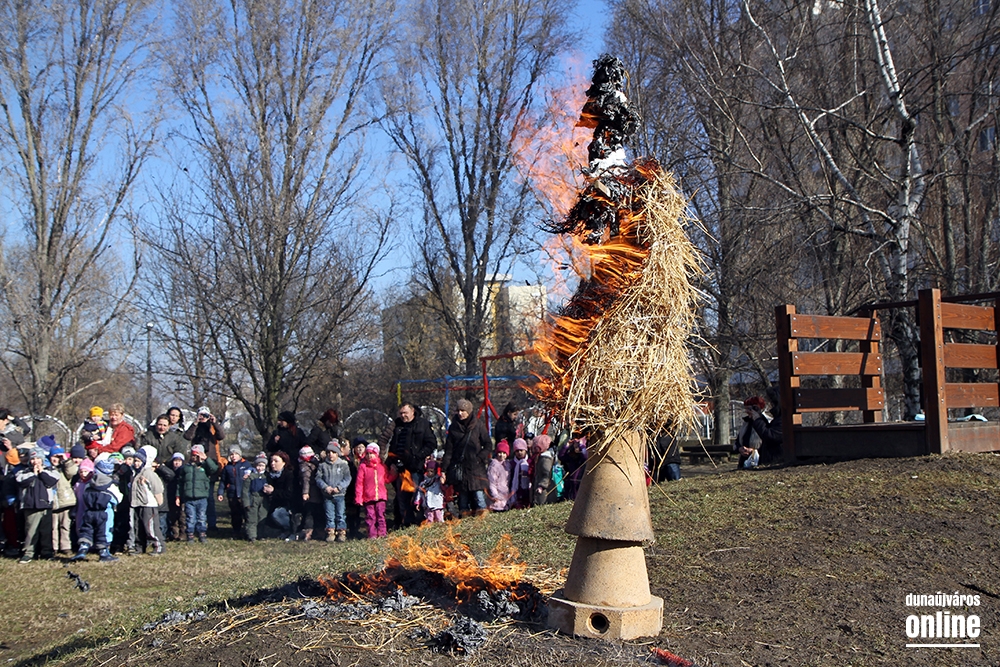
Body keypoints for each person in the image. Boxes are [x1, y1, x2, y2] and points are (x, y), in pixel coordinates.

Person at [383, 403, 437, 529]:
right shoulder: (397, 425)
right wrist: (392, 462)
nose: (403, 416)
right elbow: (392, 446)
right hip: (400, 468)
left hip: (416, 467)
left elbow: (431, 444)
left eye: (405, 413)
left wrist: (419, 456)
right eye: (401, 413)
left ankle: (420, 522)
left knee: (417, 496)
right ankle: (407, 524)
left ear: (412, 412)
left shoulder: (423, 424)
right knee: (402, 497)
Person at [440, 398, 493, 517]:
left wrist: (479, 458)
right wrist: (444, 469)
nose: (460, 413)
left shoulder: (478, 425)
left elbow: (488, 444)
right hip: (460, 469)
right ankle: (465, 520)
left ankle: (483, 521)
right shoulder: (453, 428)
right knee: (463, 500)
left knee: (479, 497)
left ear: (469, 411)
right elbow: (448, 451)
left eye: (463, 410)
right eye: (458, 410)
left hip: (476, 468)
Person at [184, 406, 225, 531]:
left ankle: (211, 524)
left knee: (209, 497)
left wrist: (214, 422)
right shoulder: (195, 428)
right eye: (201, 415)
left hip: (210, 463)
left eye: (205, 415)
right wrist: (195, 422)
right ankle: (196, 524)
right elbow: (187, 436)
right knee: (195, 496)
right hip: (196, 464)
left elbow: (221, 436)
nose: (203, 418)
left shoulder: (212, 428)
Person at [70, 459, 119, 562]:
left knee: (87, 530)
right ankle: (104, 553)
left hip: (89, 512)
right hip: (104, 513)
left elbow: (84, 496)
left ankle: (82, 549)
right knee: (103, 532)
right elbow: (117, 498)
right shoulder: (111, 486)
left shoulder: (90, 483)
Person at [16, 447, 59, 562]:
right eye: (33, 459)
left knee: (46, 531)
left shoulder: (50, 470)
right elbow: (21, 482)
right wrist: (34, 474)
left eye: (38, 458)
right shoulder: (24, 472)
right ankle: (28, 553)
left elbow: (51, 481)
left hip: (46, 505)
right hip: (30, 506)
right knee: (31, 531)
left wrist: (42, 472)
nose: (35, 461)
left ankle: (47, 552)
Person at [176, 444, 219, 542]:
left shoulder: (205, 466)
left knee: (202, 517)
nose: (195, 457)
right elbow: (180, 483)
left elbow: (214, 469)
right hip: (189, 498)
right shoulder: (186, 468)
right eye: (193, 455)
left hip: (202, 497)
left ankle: (202, 533)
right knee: (190, 517)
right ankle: (190, 534)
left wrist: (206, 459)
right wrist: (178, 496)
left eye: (197, 455)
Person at [129, 446, 165, 555]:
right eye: (135, 461)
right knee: (138, 528)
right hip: (137, 504)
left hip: (149, 505)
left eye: (139, 461)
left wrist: (159, 501)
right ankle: (139, 547)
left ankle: (159, 546)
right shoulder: (134, 473)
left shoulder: (148, 473)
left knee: (150, 527)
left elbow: (158, 488)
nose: (136, 463)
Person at [354, 443, 395, 539]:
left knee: (381, 515)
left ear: (376, 454)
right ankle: (372, 534)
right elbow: (359, 483)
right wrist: (359, 497)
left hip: (380, 496)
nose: (369, 456)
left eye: (371, 453)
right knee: (370, 516)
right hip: (368, 497)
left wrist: (393, 473)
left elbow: (386, 479)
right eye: (367, 453)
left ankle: (382, 533)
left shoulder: (381, 466)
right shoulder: (363, 467)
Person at [316, 442, 351, 542]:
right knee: (329, 515)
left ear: (337, 453)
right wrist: (325, 487)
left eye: (333, 452)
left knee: (340, 514)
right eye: (328, 452)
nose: (331, 454)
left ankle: (341, 532)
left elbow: (347, 478)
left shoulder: (343, 465)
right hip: (327, 495)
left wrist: (339, 487)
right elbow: (318, 478)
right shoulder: (323, 465)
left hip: (340, 494)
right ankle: (330, 532)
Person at [49, 446, 78, 556]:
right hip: (53, 502)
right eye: (54, 457)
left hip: (65, 501)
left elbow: (73, 471)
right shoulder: (47, 468)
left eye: (58, 457)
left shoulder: (64, 469)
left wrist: (66, 460)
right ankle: (54, 546)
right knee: (53, 526)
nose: (55, 459)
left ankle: (65, 546)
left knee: (65, 525)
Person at [219, 446, 253, 539]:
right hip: (232, 494)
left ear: (240, 455)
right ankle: (236, 532)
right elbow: (223, 481)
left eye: (236, 454)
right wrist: (220, 493)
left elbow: (253, 474)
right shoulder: (227, 467)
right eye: (231, 454)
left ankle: (248, 532)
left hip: (244, 494)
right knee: (235, 514)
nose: (234, 456)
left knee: (247, 513)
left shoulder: (246, 465)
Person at [262, 451, 295, 539]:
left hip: (287, 506)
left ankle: (290, 529)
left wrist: (273, 492)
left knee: (277, 514)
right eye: (271, 461)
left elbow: (289, 494)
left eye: (276, 461)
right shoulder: (268, 476)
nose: (273, 463)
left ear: (284, 462)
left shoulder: (289, 475)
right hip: (271, 505)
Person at [749, 386, 784, 464]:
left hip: (776, 459)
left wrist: (758, 420)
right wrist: (760, 417)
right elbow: (769, 429)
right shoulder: (779, 418)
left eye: (772, 402)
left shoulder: (784, 419)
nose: (770, 404)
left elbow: (770, 436)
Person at [294, 445, 323, 541]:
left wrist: (305, 492)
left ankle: (308, 532)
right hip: (317, 492)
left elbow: (305, 480)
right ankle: (317, 531)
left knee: (309, 513)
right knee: (317, 512)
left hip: (311, 493)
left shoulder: (304, 467)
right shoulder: (316, 463)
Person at [242, 454, 269, 542]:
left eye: (262, 466)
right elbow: (245, 491)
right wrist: (246, 503)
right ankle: (251, 535)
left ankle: (260, 535)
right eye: (258, 465)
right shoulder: (250, 476)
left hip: (264, 499)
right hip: (253, 499)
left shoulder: (267, 476)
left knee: (262, 517)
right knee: (252, 518)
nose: (260, 468)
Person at [345, 438, 367, 539]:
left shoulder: (366, 460)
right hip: (352, 488)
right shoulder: (350, 461)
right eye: (358, 447)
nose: (360, 449)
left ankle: (359, 529)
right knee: (352, 510)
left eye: (362, 447)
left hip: (364, 488)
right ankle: (352, 529)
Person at [736, 396, 766, 469]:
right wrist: (740, 448)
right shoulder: (746, 423)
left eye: (749, 409)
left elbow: (768, 440)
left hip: (759, 460)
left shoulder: (765, 423)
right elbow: (738, 441)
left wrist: (754, 450)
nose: (747, 411)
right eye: (746, 409)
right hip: (744, 461)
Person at [415, 459, 446, 523]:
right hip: (427, 505)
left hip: (437, 504)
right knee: (429, 519)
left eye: (432, 471)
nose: (429, 473)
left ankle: (440, 527)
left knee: (439, 518)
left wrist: (442, 481)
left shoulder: (438, 481)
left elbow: (444, 489)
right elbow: (419, 493)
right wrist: (417, 503)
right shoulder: (423, 483)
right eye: (428, 471)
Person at [487, 441, 512, 511]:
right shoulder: (494, 466)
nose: (501, 455)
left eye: (504, 453)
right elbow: (492, 482)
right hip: (496, 496)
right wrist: (495, 495)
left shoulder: (508, 465)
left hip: (505, 495)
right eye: (500, 452)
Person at [509, 438, 531, 509]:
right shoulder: (512, 463)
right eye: (517, 451)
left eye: (521, 450)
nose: (519, 453)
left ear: (525, 450)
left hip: (527, 487)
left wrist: (527, 473)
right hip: (516, 487)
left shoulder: (529, 461)